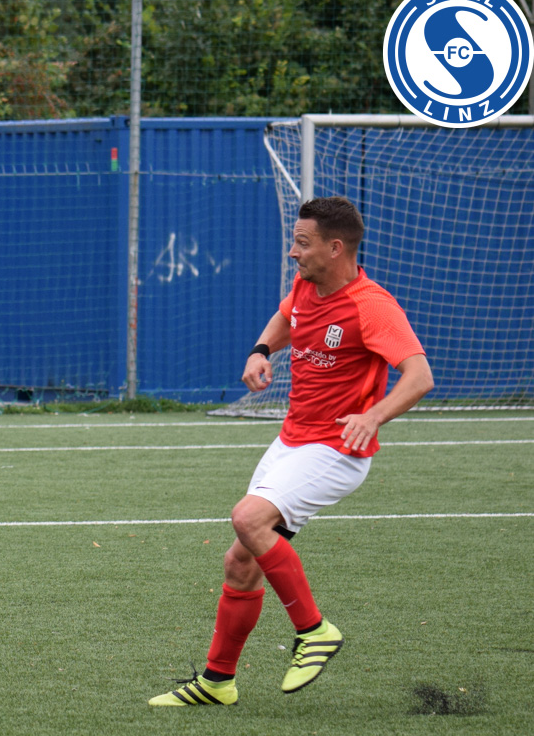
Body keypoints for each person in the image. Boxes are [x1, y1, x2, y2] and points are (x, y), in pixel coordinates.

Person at [150, 196, 433, 707]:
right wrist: (261, 351)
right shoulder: (307, 284)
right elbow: (288, 317)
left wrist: (373, 415)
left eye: (302, 243)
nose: (292, 252)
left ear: (336, 247)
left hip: (336, 450)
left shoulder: (371, 306)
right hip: (291, 442)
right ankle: (217, 682)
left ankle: (314, 630)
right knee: (240, 562)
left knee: (247, 519)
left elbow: (419, 376)